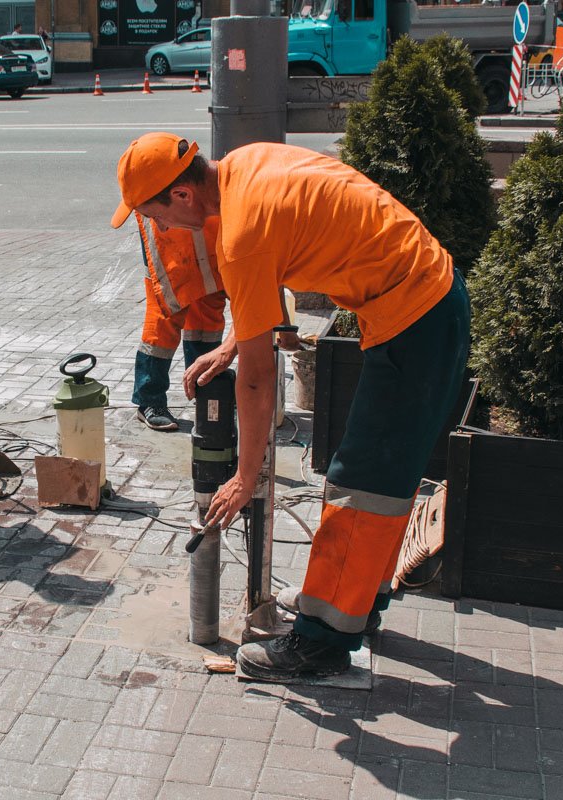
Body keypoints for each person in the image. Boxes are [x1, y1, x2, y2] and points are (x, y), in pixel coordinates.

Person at [110, 133, 470, 680]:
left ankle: (321, 643)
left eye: (155, 216)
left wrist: (245, 476)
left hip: (416, 319)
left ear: (182, 195)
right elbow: (273, 270)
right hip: (425, 301)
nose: (160, 228)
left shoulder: (240, 236)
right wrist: (232, 344)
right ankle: (355, 606)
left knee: (362, 481)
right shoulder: (246, 167)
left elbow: (257, 381)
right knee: (386, 476)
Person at [131, 212, 226, 431]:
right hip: (167, 220)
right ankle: (150, 399)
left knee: (209, 301)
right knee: (166, 308)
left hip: (208, 221)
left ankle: (206, 388)